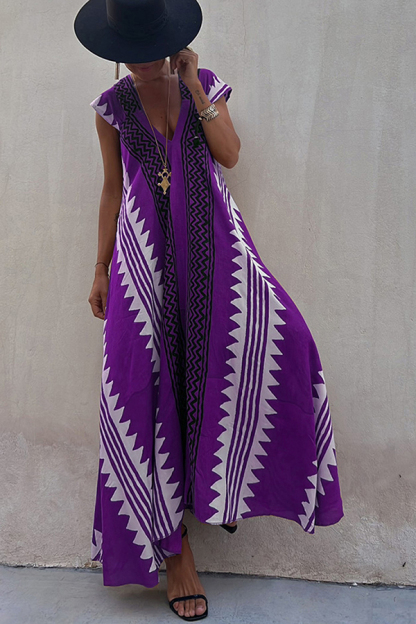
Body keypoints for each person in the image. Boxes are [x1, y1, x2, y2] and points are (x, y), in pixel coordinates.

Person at [74, 0, 344, 620]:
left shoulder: (205, 84)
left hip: (217, 250)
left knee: (284, 342)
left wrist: (195, 86)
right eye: (129, 50)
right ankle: (176, 555)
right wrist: (100, 269)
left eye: (150, 47)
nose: (140, 61)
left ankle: (220, 485)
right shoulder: (111, 107)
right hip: (144, 261)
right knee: (140, 389)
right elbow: (112, 188)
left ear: (169, 38)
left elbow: (230, 153)